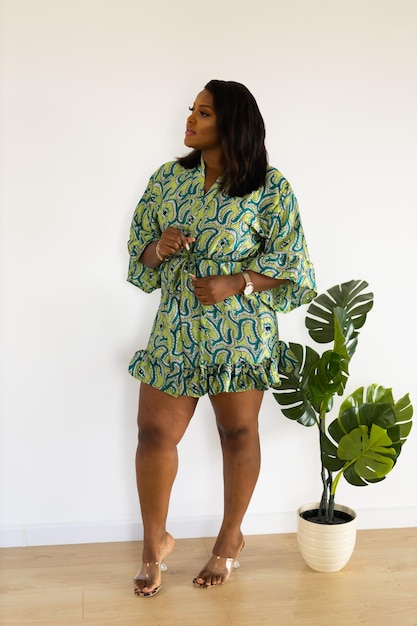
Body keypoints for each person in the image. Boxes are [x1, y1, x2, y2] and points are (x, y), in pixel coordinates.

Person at [127, 79, 316, 597]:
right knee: (153, 434)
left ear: (230, 124)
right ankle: (153, 544)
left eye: (203, 113)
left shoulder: (270, 187)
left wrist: (239, 281)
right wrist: (160, 248)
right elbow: (139, 258)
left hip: (239, 332)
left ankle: (230, 539)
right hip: (177, 328)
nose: (189, 120)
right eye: (192, 110)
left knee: (237, 434)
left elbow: (294, 266)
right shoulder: (168, 179)